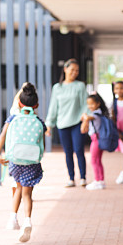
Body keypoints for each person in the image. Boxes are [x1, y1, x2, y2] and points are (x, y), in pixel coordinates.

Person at [0, 82, 46, 243]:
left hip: (15, 160)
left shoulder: (13, 118)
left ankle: (13, 217)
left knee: (17, 187)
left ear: (19, 103)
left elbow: (3, 135)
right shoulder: (39, 121)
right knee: (27, 193)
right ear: (36, 105)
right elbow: (41, 142)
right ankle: (28, 220)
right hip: (32, 161)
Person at [45, 59, 88, 187]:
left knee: (79, 149)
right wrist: (49, 125)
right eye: (72, 70)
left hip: (76, 123)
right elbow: (53, 107)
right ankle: (71, 178)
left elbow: (85, 105)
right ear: (65, 69)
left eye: (77, 70)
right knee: (68, 152)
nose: (75, 72)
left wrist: (85, 120)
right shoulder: (57, 88)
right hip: (62, 124)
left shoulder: (80, 86)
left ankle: (83, 178)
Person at [81, 93, 109, 190]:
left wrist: (85, 116)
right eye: (88, 104)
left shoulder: (96, 114)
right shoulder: (100, 112)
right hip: (99, 139)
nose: (90, 106)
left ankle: (97, 181)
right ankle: (101, 180)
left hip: (96, 140)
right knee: (98, 160)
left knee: (93, 160)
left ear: (98, 104)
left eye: (92, 104)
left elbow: (89, 118)